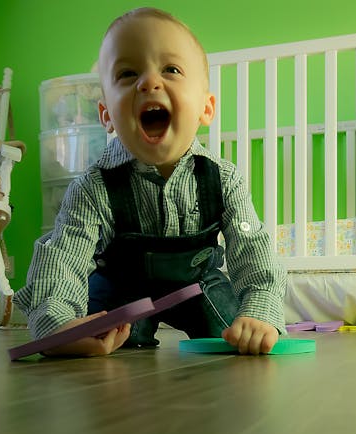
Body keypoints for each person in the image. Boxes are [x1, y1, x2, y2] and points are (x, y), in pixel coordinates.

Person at [15, 7, 286, 356]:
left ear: (206, 108)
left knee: (235, 335)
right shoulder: (93, 186)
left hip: (198, 284)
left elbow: (253, 252)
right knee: (98, 336)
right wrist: (57, 322)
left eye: (171, 69)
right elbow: (63, 257)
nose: (149, 82)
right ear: (107, 115)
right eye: (128, 73)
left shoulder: (224, 178)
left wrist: (259, 310)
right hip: (123, 290)